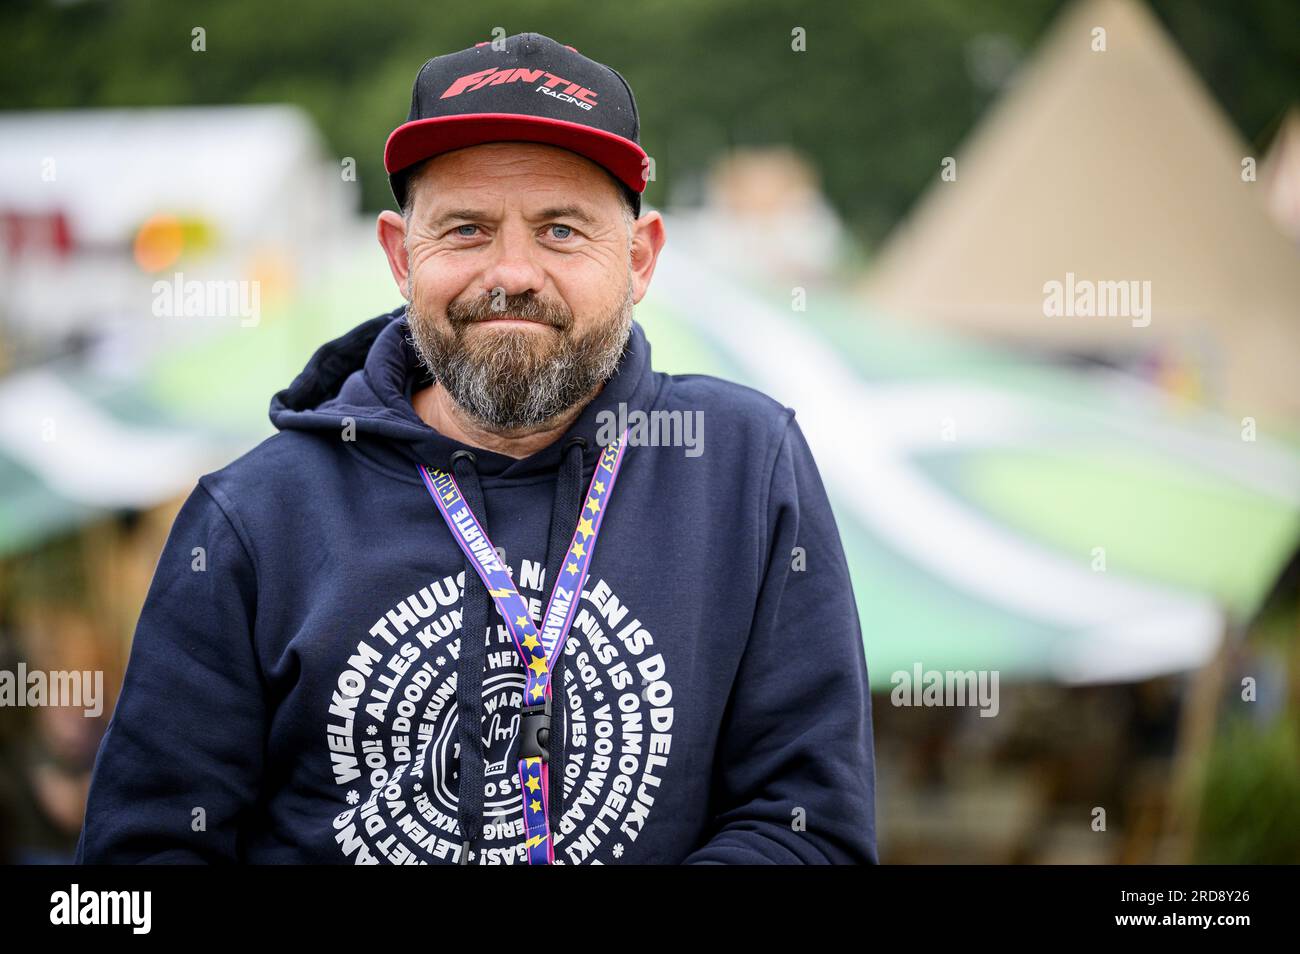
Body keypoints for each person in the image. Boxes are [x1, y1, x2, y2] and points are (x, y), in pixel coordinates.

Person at [76, 31, 877, 865]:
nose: (514, 271)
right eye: (465, 229)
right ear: (399, 254)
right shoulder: (251, 518)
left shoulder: (744, 467)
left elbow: (810, 831)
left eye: (562, 230)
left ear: (639, 259)